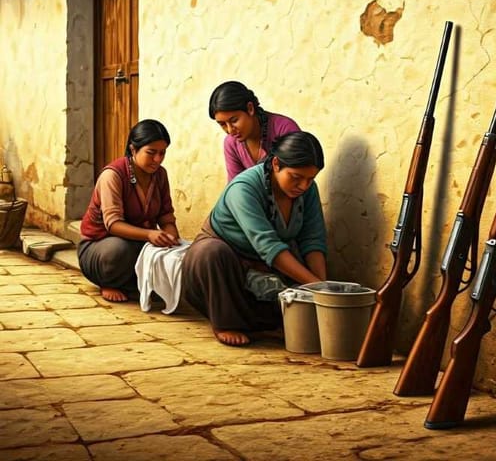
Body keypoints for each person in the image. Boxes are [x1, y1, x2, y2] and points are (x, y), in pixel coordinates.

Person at [182, 130, 327, 346]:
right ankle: (226, 322)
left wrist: (324, 288)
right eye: (296, 177)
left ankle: (265, 325)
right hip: (225, 268)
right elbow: (268, 246)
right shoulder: (244, 188)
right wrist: (315, 285)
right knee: (211, 253)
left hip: (267, 265)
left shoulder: (307, 190)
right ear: (276, 164)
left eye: (310, 179)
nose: (304, 186)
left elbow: (312, 239)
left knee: (298, 273)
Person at [78, 119, 180, 302]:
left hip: (138, 243)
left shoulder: (160, 175)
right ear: (133, 149)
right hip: (101, 247)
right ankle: (108, 281)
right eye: (151, 153)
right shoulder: (113, 175)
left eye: (162, 153)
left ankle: (135, 284)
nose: (158, 159)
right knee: (120, 250)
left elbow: (166, 216)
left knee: (174, 253)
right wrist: (150, 235)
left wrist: (171, 237)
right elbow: (113, 225)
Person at [208, 80, 300, 181]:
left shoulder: (284, 129)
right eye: (222, 124)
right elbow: (236, 186)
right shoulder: (231, 143)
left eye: (234, 120)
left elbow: (297, 178)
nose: (230, 130)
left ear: (250, 108)